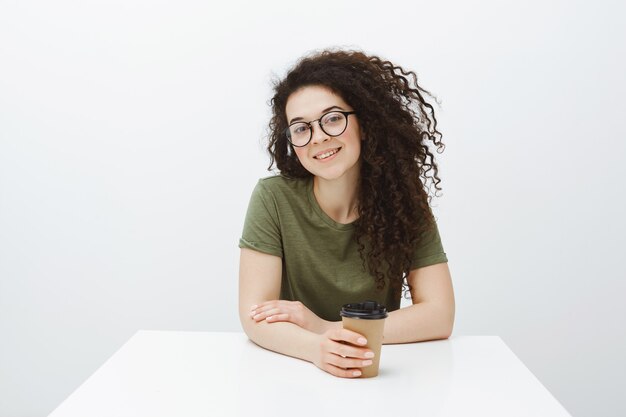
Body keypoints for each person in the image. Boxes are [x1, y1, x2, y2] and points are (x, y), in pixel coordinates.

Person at [238, 48, 455, 378]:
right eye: (301, 128)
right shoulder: (273, 198)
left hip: (376, 373)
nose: (319, 137)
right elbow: (254, 316)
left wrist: (327, 327)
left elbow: (440, 315)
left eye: (333, 118)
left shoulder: (404, 201)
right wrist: (317, 349)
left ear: (365, 123)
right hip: (289, 373)